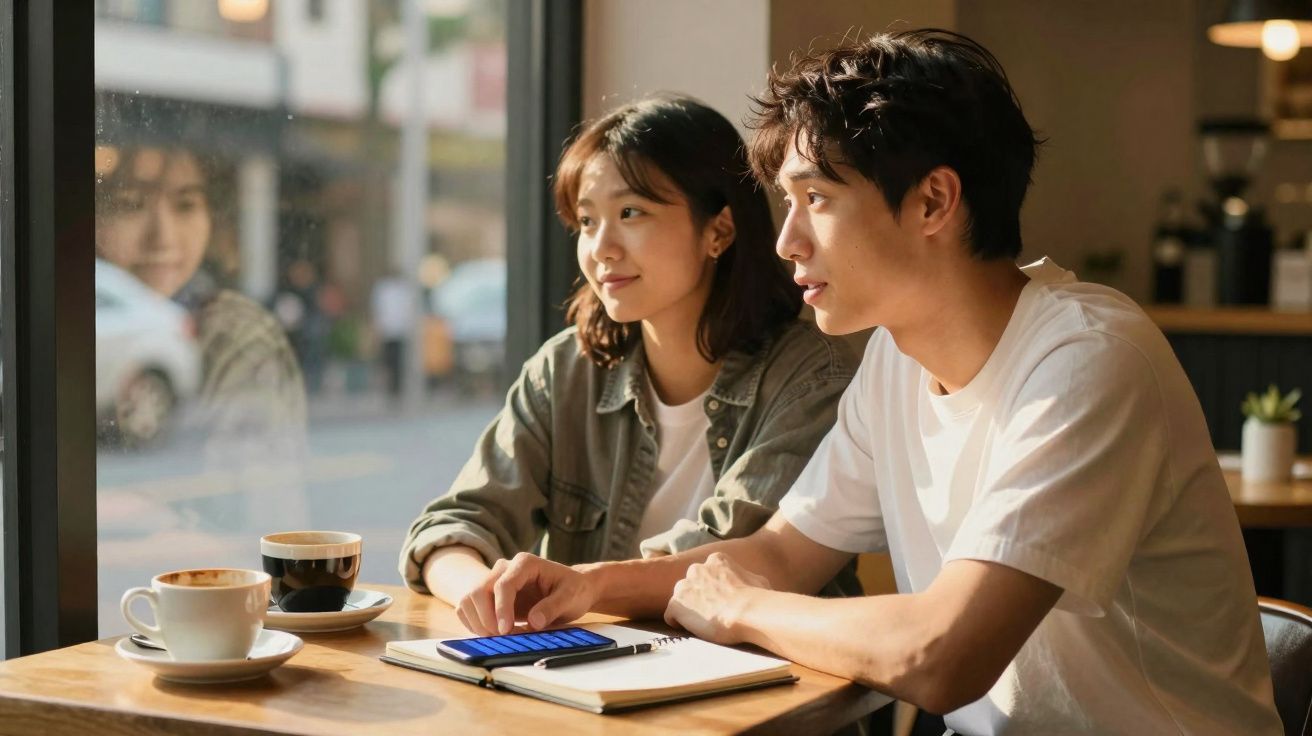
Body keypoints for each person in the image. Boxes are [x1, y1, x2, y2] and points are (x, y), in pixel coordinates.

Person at [455, 31, 1283, 734]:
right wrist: (591, 586)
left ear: (934, 202)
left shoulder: (1088, 360)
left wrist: (740, 608)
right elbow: (782, 551)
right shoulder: (894, 357)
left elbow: (941, 655)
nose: (784, 243)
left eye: (815, 198)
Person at [399, 95, 862, 615]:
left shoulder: (810, 377)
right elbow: (454, 525)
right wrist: (481, 595)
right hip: (594, 674)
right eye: (587, 221)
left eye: (630, 212)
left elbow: (742, 559)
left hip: (762, 678)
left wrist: (584, 586)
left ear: (719, 231)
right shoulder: (567, 371)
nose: (601, 248)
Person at [95, 144, 309, 529]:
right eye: (130, 204)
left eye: (185, 206)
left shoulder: (240, 329)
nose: (162, 236)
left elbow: (273, 505)